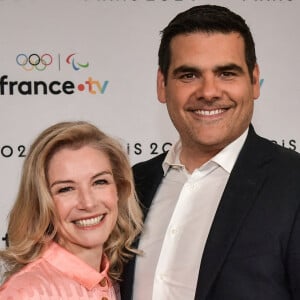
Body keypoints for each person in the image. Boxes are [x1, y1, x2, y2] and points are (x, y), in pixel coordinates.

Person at [120, 4, 300, 300]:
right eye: (189, 75)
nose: (208, 92)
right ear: (162, 85)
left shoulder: (293, 184)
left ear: (254, 81)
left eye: (227, 73)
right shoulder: (131, 185)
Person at [0, 121, 143, 299]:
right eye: (66, 189)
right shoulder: (30, 292)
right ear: (42, 203)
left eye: (99, 182)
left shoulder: (115, 282)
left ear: (119, 190)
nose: (88, 203)